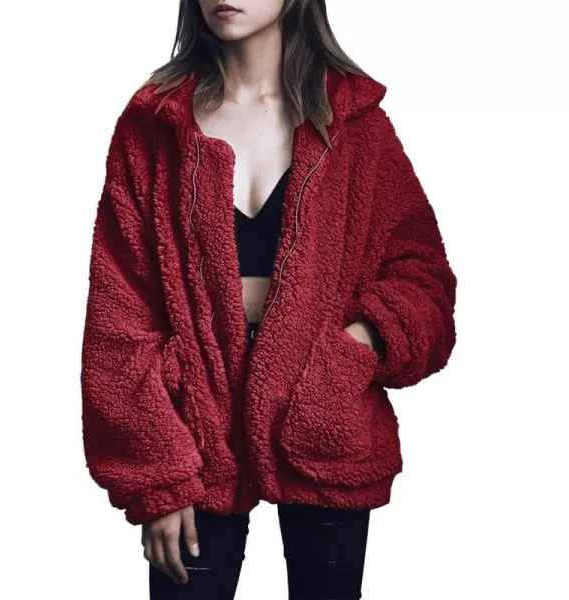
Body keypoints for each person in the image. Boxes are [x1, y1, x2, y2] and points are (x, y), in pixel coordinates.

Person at [80, 0, 457, 598]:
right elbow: (118, 312)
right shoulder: (154, 124)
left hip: (321, 412)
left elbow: (422, 278)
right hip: (193, 423)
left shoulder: (354, 124)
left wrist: (352, 349)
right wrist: (156, 477)